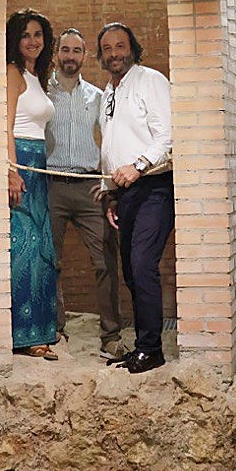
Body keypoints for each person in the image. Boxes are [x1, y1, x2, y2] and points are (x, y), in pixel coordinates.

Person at [95, 22, 174, 374]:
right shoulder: (108, 92)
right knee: (130, 270)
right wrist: (112, 196)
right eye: (108, 48)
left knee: (142, 265)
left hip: (154, 187)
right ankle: (142, 346)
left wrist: (139, 167)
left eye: (121, 45)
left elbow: (167, 137)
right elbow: (110, 148)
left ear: (133, 48)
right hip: (125, 193)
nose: (114, 53)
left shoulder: (151, 81)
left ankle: (152, 350)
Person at [45, 28, 125, 360]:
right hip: (50, 186)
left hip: (90, 186)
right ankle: (53, 330)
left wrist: (109, 185)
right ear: (56, 54)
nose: (69, 56)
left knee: (106, 261)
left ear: (84, 55)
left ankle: (111, 335)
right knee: (49, 262)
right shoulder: (40, 93)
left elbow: (110, 141)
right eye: (64, 50)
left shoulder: (96, 96)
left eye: (76, 51)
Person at [6, 8, 59, 360]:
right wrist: (11, 170)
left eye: (38, 34)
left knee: (41, 249)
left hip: (38, 165)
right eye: (26, 34)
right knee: (23, 247)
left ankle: (41, 328)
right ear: (15, 39)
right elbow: (3, 123)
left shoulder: (36, 75)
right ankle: (22, 334)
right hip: (21, 162)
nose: (33, 40)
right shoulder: (12, 73)